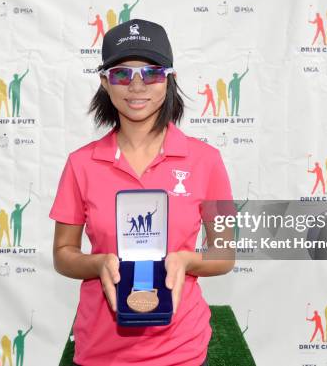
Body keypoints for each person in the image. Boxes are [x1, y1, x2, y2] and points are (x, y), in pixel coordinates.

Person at [50, 18, 234, 366]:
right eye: (122, 74)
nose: (137, 86)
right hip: (99, 350)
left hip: (181, 349)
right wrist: (98, 262)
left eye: (151, 73)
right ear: (105, 82)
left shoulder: (206, 161)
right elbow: (63, 253)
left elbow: (224, 252)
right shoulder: (81, 163)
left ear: (170, 80)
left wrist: (186, 259)